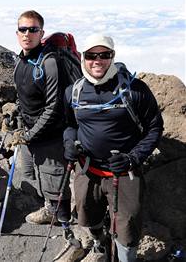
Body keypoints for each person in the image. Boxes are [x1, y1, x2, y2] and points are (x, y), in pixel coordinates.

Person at [63, 34, 163, 262]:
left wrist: (132, 158)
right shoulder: (73, 92)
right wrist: (69, 143)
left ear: (112, 57)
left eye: (104, 55)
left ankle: (126, 257)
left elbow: (155, 127)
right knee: (86, 215)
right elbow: (69, 125)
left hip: (125, 172)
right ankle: (100, 240)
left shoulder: (134, 90)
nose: (97, 61)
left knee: (127, 229)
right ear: (83, 58)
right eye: (91, 55)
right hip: (87, 170)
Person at [10, 10, 83, 261]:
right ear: (17, 32)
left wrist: (31, 133)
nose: (27, 34)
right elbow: (25, 98)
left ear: (41, 33)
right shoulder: (20, 60)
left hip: (50, 137)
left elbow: (53, 108)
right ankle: (50, 209)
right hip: (31, 135)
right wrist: (16, 117)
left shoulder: (48, 63)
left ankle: (69, 235)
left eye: (33, 29)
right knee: (33, 175)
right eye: (23, 29)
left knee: (56, 184)